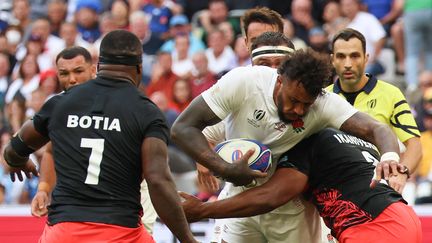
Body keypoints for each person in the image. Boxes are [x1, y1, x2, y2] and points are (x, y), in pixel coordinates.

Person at [171, 48, 403, 243]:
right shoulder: (244, 82)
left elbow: (377, 128)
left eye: (306, 104)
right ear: (280, 80)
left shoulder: (324, 104)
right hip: (239, 202)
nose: (299, 111)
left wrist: (390, 156)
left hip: (291, 208)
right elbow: (182, 128)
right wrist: (223, 168)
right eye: (294, 100)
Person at [3, 30, 197, 243]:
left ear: (98, 66)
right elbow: (158, 180)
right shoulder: (147, 112)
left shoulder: (59, 104)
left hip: (63, 232)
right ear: (139, 68)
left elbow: (14, 148)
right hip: (121, 232)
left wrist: (18, 161)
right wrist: (188, 239)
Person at [179, 128, 422, 243]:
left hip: (374, 226)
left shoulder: (309, 143)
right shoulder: (349, 136)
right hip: (400, 215)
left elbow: (270, 196)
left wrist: (203, 210)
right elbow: (391, 138)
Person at [327, 28, 421, 192]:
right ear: (332, 60)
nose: (348, 64)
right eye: (341, 56)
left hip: (377, 189)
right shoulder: (322, 97)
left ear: (366, 58)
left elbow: (414, 146)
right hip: (334, 191)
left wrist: (402, 172)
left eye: (355, 56)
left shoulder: (391, 94)